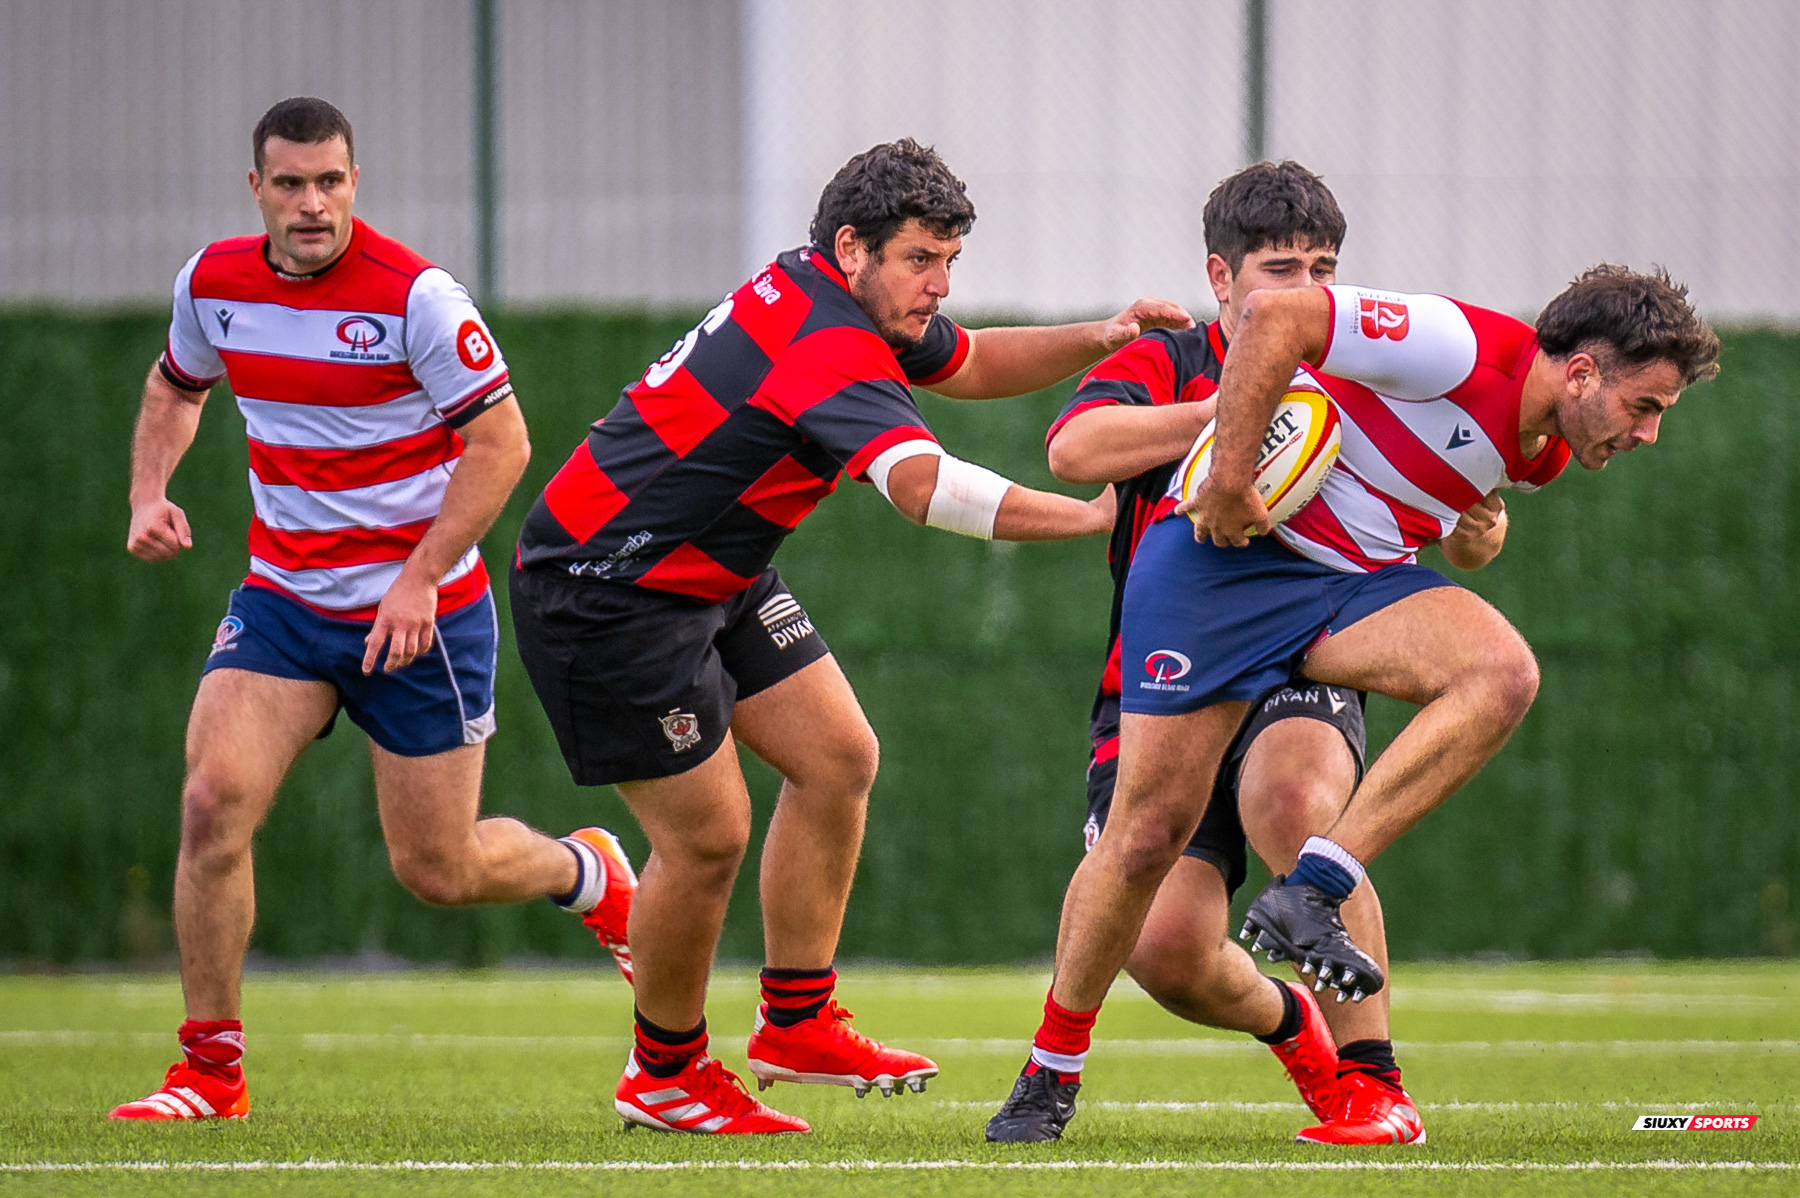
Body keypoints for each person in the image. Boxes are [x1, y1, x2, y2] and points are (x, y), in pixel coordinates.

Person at [510, 138, 1193, 1134]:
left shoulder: (833, 295)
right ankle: (663, 1072)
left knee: (837, 757)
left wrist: (1103, 333)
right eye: (924, 260)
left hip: (714, 573)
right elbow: (925, 488)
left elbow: (969, 361)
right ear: (851, 248)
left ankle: (794, 1021)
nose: (940, 285)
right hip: (607, 591)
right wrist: (1087, 517)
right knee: (706, 837)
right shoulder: (825, 342)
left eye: (950, 261)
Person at [989, 257, 1719, 1143]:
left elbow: (1451, 529)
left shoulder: (1550, 446)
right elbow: (1272, 318)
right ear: (1579, 371)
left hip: (1349, 592)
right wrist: (1225, 474)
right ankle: (1051, 1070)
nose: (1646, 435)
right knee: (1146, 833)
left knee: (1499, 673)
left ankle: (1336, 962)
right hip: (1217, 571)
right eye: (1644, 408)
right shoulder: (1459, 346)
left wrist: (1477, 539)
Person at [111, 98, 636, 1122]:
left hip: (421, 616)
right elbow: (177, 387)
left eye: (331, 182)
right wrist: (146, 490)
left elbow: (504, 446)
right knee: (211, 806)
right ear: (255, 188)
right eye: (291, 183)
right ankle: (211, 1073)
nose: (312, 204)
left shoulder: (416, 298)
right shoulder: (210, 286)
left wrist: (416, 576)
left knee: (438, 869)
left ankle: (586, 872)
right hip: (285, 606)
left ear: (356, 181)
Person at [993, 162, 1505, 1147]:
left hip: (1302, 663)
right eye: (1280, 269)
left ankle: (1372, 1082)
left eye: (1322, 268)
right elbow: (1076, 449)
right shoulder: (1172, 359)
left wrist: (1477, 531)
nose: (1304, 291)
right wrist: (1239, 414)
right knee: (1169, 947)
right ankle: (1292, 1028)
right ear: (1221, 279)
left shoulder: (1365, 371)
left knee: (1297, 804)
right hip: (1167, 676)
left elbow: (1470, 535)